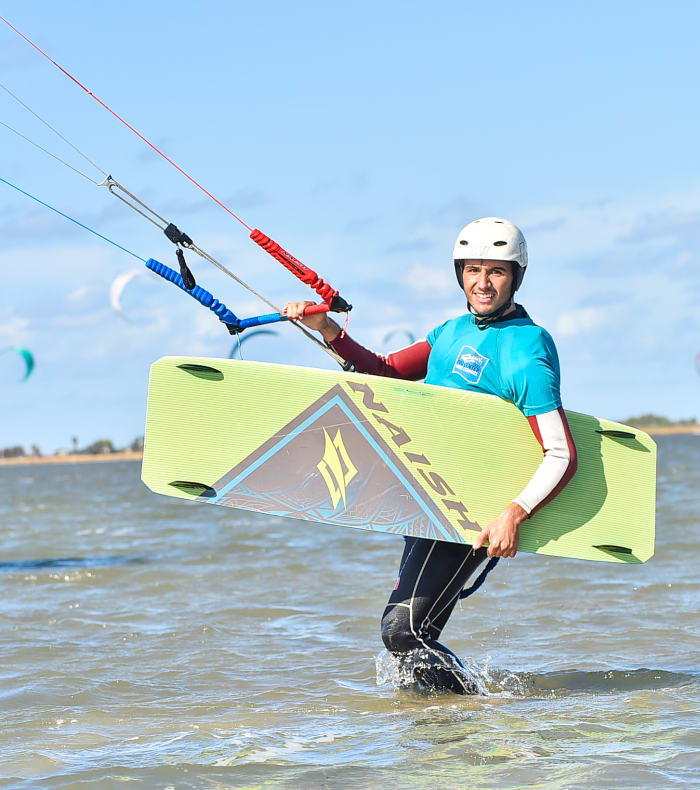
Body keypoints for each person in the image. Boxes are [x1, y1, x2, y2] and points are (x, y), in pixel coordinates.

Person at [285, 217, 578, 694]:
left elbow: (561, 453)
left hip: (474, 510)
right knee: (412, 641)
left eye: (496, 271)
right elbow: (385, 373)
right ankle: (442, 730)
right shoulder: (450, 331)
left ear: (516, 276)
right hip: (429, 500)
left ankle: (481, 711)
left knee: (402, 633)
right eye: (473, 270)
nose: (483, 283)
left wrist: (513, 514)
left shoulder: (526, 349)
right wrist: (328, 330)